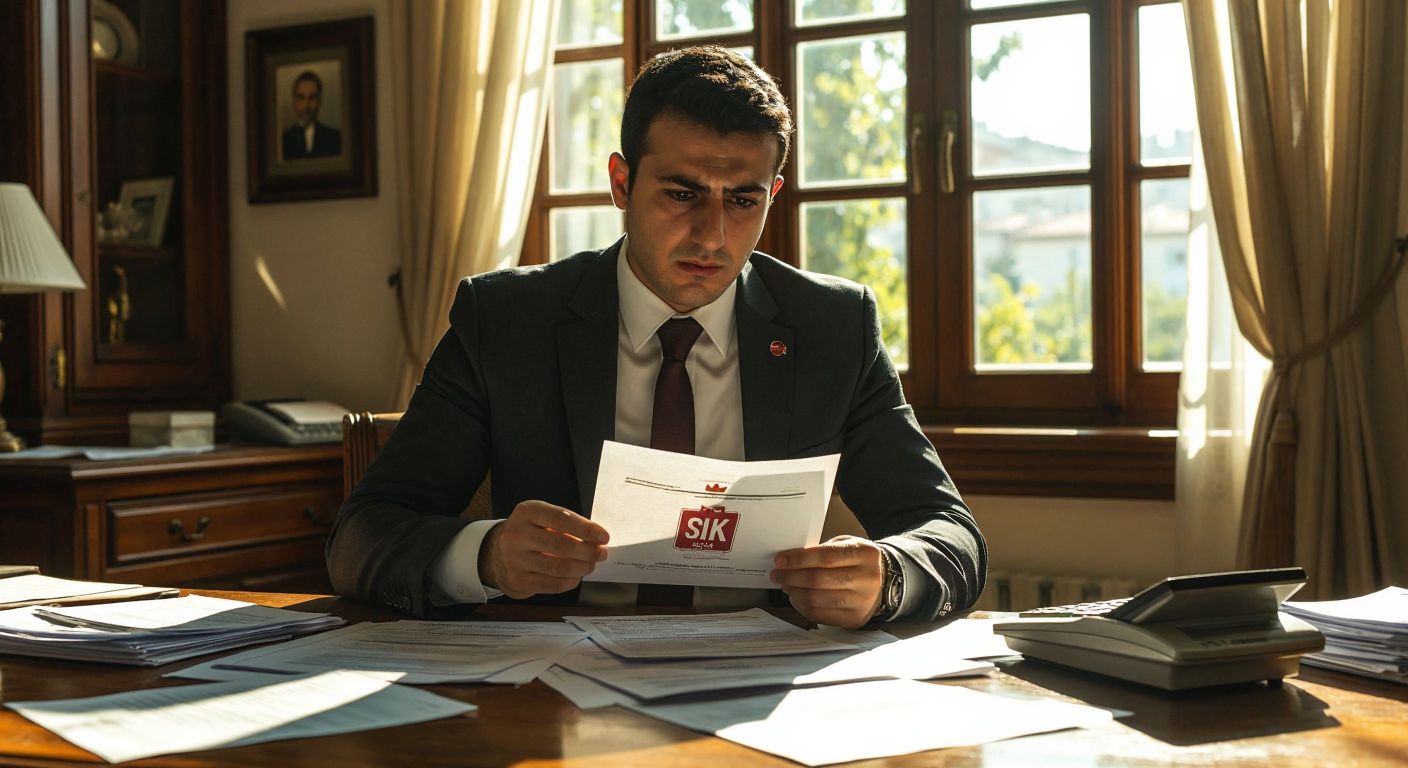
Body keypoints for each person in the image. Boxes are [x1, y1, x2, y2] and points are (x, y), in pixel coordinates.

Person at [327, 45, 985, 629]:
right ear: (621, 182)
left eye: (743, 200)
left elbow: (952, 536)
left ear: (773, 195)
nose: (712, 236)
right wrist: (487, 556)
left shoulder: (832, 328)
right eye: (682, 194)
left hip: (755, 695)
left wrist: (887, 577)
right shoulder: (505, 320)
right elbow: (362, 536)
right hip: (550, 695)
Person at [280, 70, 342, 160]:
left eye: (312, 97)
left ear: (319, 101)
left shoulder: (335, 138)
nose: (307, 105)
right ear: (294, 102)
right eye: (301, 98)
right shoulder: (283, 141)